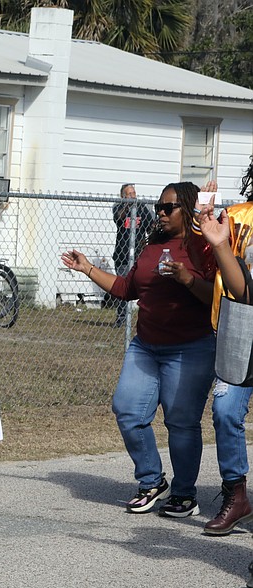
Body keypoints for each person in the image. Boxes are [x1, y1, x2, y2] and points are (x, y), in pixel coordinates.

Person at [62, 182, 216, 518]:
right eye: (159, 207)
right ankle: (152, 481)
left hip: (190, 348)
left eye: (168, 208)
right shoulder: (152, 245)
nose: (160, 213)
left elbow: (217, 296)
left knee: (181, 422)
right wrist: (87, 268)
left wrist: (188, 280)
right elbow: (125, 288)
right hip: (146, 346)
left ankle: (185, 495)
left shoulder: (203, 245)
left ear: (187, 209)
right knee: (128, 410)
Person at [196, 167, 253, 536]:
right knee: (225, 409)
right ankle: (237, 495)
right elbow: (202, 248)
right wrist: (204, 210)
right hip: (239, 329)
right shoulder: (238, 215)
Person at [111, 183, 155, 327]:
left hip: (139, 256)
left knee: (144, 287)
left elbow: (150, 228)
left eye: (134, 193)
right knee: (122, 287)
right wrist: (128, 206)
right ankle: (121, 319)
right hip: (122, 256)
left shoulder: (142, 207)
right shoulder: (118, 206)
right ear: (123, 196)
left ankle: (146, 318)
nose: (132, 196)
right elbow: (119, 217)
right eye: (129, 194)